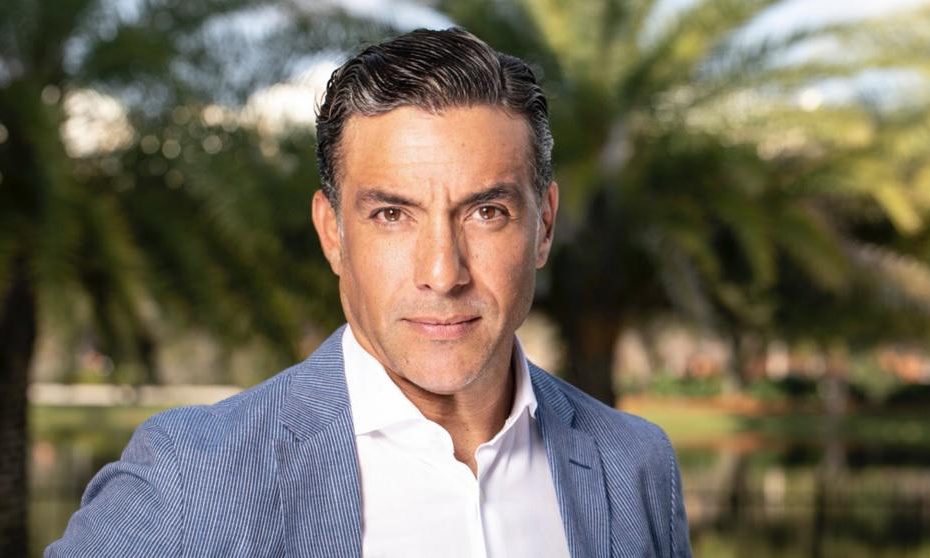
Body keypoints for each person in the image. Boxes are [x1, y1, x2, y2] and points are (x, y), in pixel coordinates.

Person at [47, 28, 691, 557]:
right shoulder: (189, 480)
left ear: (543, 225)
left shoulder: (633, 466)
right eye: (392, 214)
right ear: (332, 233)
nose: (443, 272)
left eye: (485, 212)